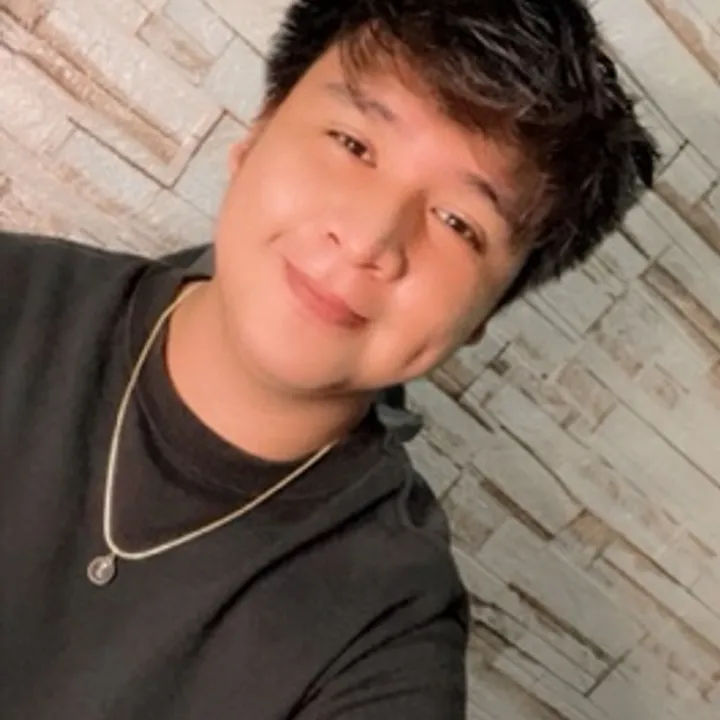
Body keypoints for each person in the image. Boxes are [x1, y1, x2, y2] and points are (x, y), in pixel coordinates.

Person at [0, 0, 657, 718]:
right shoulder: (17, 295)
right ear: (255, 137)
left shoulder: (384, 632)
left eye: (458, 222)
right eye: (353, 144)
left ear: (485, 317)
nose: (371, 237)